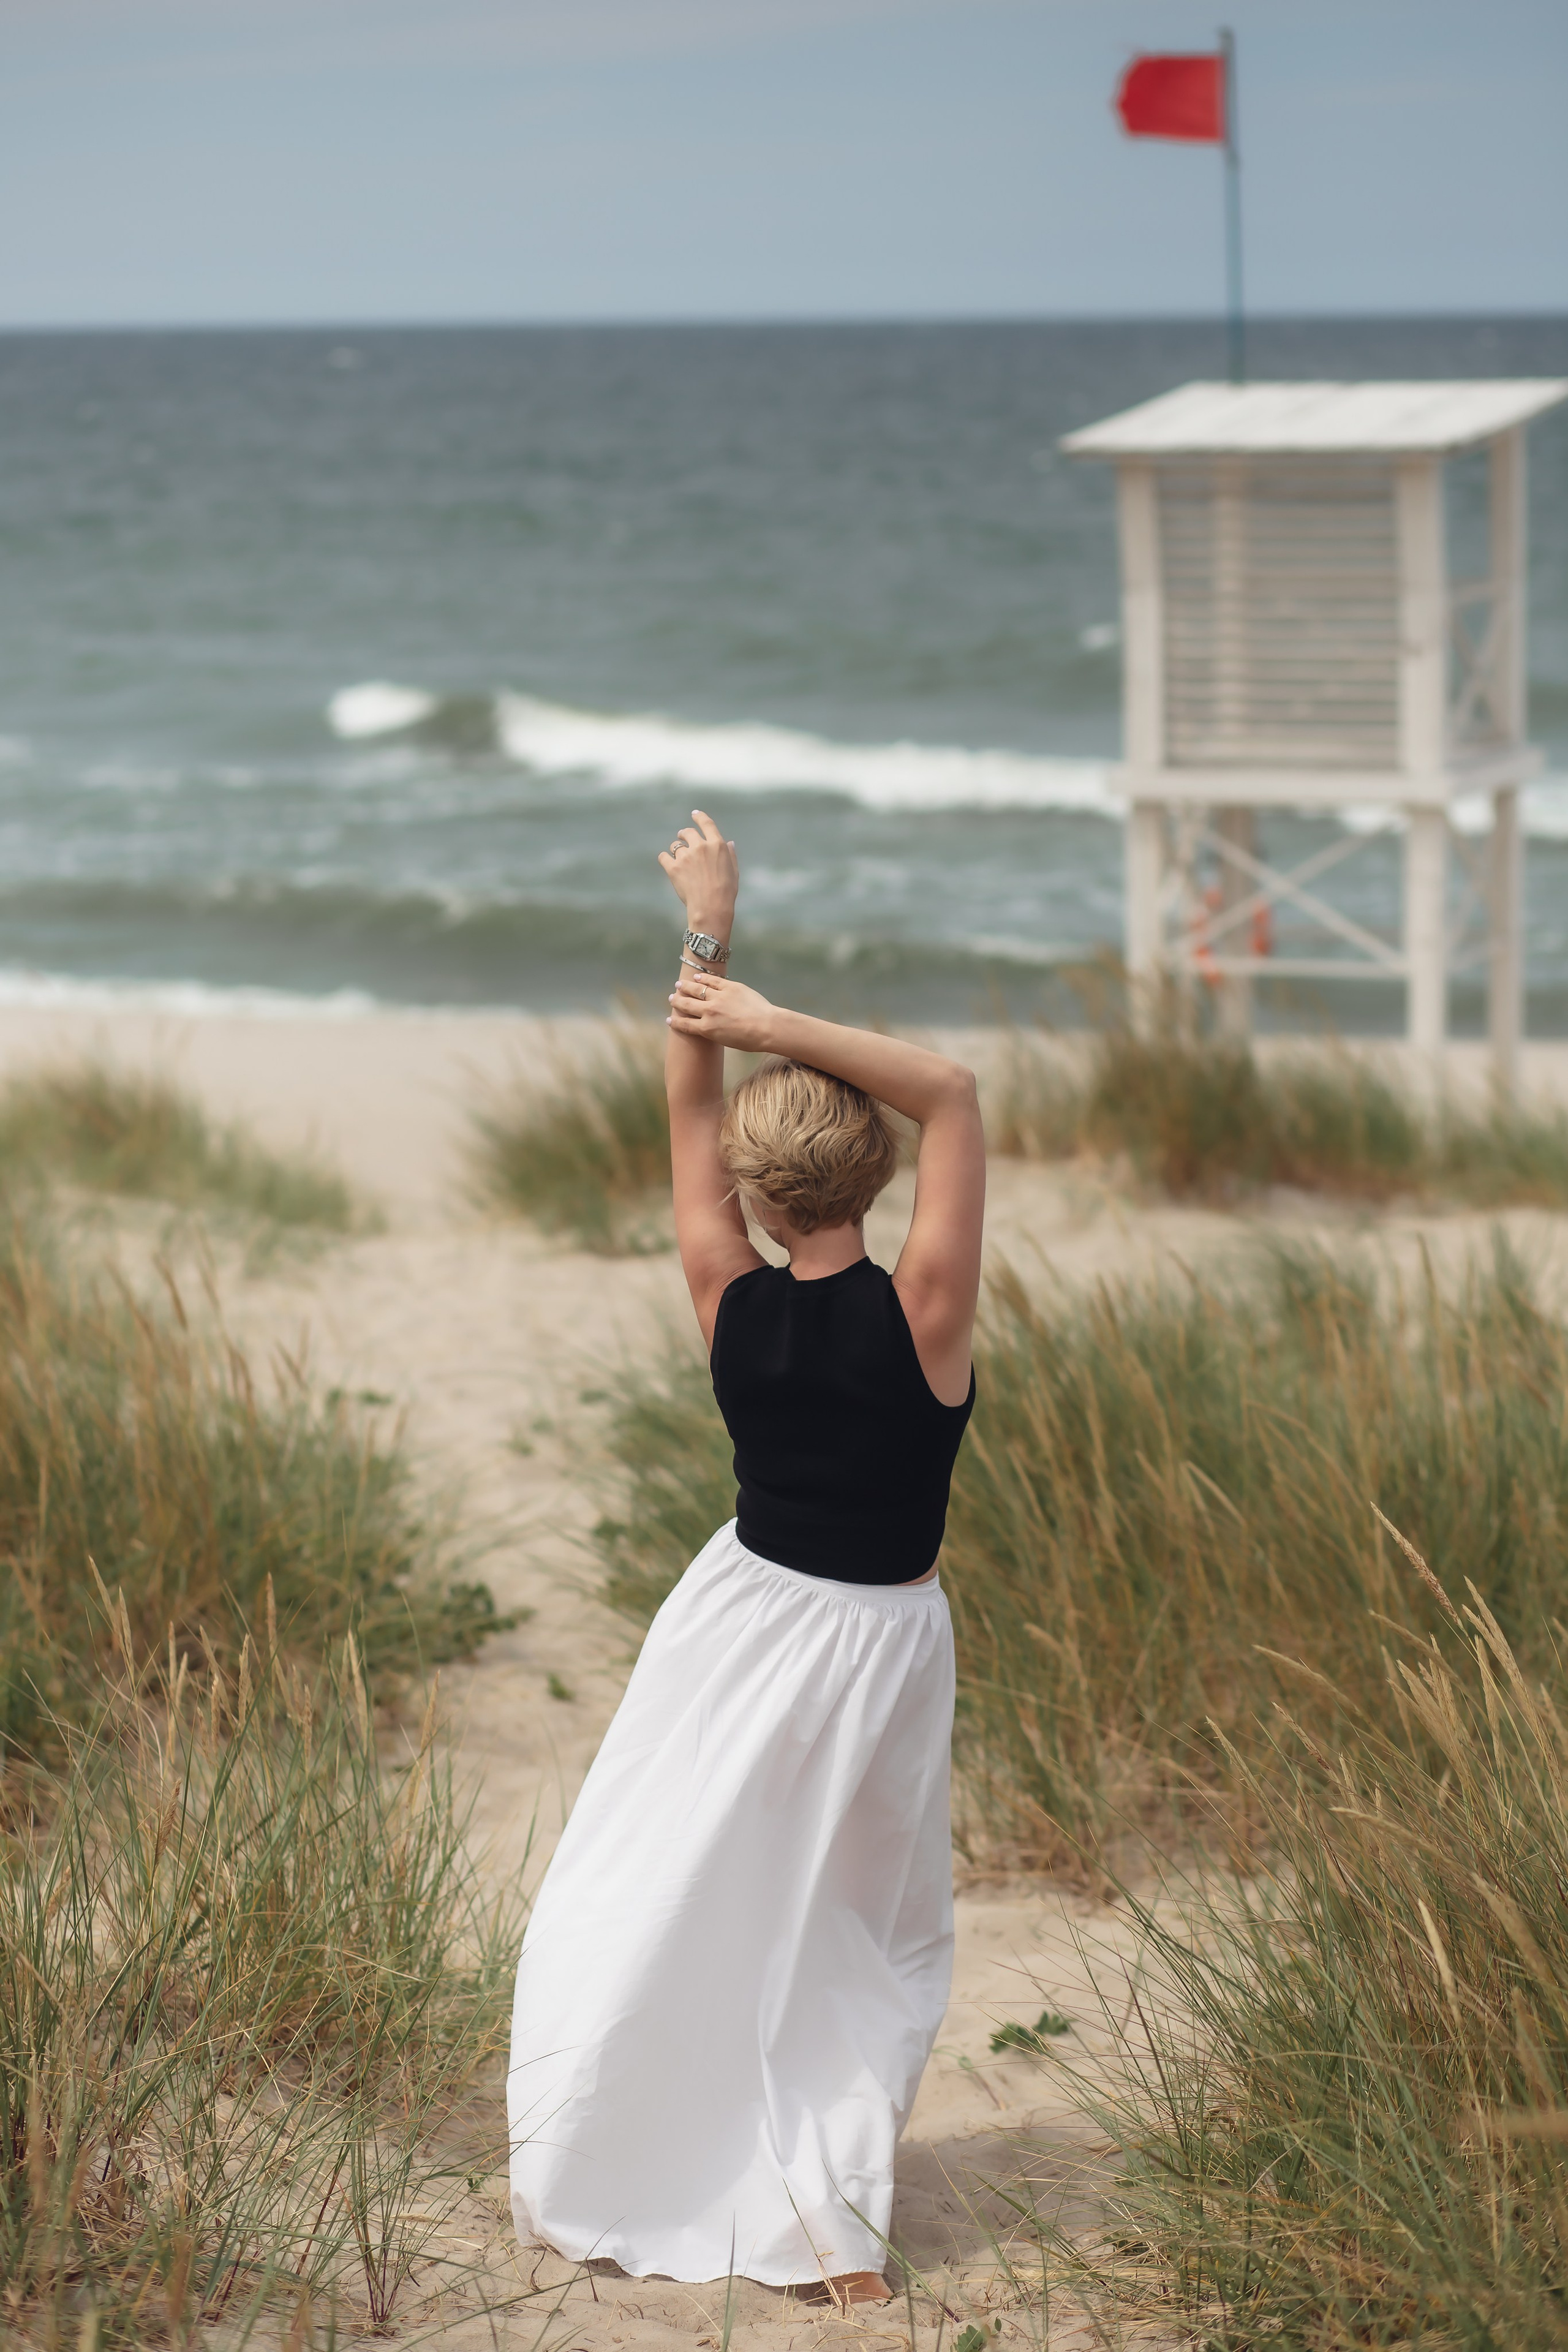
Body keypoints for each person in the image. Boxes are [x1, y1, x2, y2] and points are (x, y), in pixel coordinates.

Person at [508, 809, 986, 2307]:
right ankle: (827, 2223)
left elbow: (682, 1119)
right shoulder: (924, 1315)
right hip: (879, 1642)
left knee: (698, 1883)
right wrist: (773, 1017)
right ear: (870, 1180)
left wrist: (704, 951)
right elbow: (956, 1095)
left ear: (753, 1192)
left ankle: (655, 2144)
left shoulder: (722, 1288)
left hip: (734, 1613)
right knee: (852, 1925)